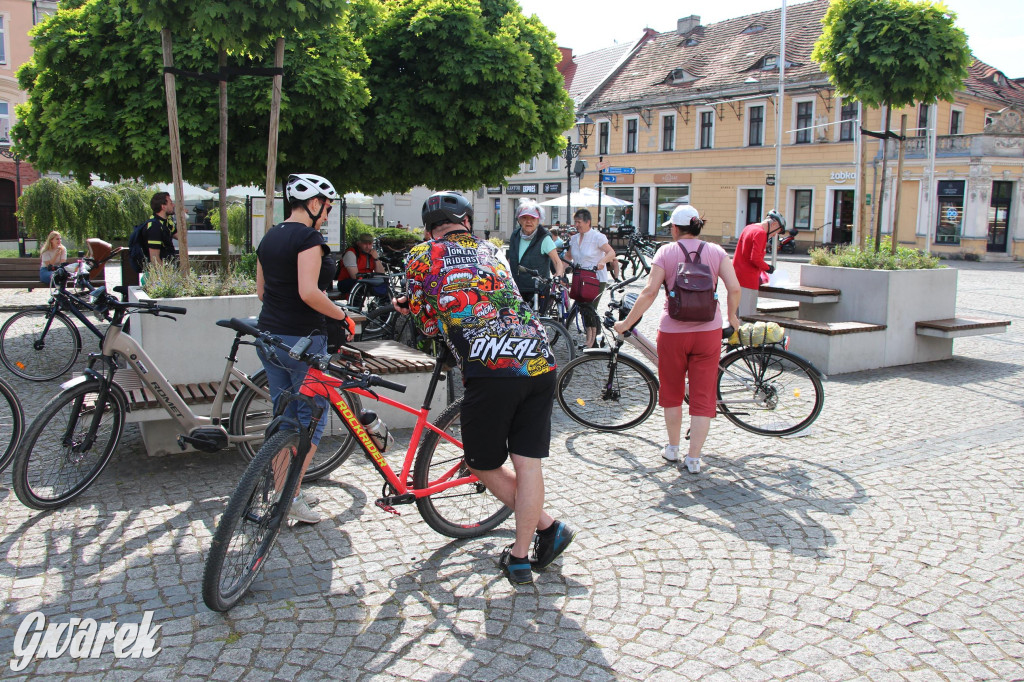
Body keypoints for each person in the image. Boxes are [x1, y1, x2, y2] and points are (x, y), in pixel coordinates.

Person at [394, 191, 575, 586]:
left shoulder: (420, 257)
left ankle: (543, 534)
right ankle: (522, 556)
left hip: (490, 368)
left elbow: (427, 325)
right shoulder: (495, 251)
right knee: (528, 463)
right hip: (538, 357)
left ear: (428, 229)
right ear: (467, 222)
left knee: (482, 463)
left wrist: (410, 306)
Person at [613, 205, 741, 474]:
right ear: (697, 226)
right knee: (703, 396)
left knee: (672, 393)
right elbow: (734, 287)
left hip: (672, 333)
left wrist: (627, 323)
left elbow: (648, 293)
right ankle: (694, 459)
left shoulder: (666, 252)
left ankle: (673, 449)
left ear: (674, 228)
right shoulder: (717, 251)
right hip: (709, 332)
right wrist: (732, 318)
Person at [256, 173, 353, 524]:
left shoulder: (270, 236)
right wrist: (344, 316)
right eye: (326, 208)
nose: (326, 215)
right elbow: (309, 292)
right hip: (304, 342)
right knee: (310, 420)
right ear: (313, 204)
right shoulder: (309, 238)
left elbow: (262, 293)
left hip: (268, 338)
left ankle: (283, 488)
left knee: (283, 418)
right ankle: (289, 497)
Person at [562, 208, 617, 347]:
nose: (577, 225)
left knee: (590, 308)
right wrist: (560, 271)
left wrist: (602, 261)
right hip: (580, 278)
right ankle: (593, 339)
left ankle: (591, 341)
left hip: (596, 279)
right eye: (575, 222)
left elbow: (611, 252)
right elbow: (568, 257)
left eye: (579, 222)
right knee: (583, 309)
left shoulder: (597, 237)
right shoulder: (574, 238)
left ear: (588, 222)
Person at [507, 200, 565, 312]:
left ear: (538, 220)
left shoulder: (544, 238)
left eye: (532, 218)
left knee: (536, 324)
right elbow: (511, 259)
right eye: (524, 218)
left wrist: (558, 276)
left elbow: (557, 262)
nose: (528, 221)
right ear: (519, 219)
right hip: (516, 288)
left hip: (538, 290)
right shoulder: (515, 235)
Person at [733, 210, 786, 316]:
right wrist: (768, 268)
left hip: (736, 276)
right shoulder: (760, 233)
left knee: (735, 314)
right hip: (748, 279)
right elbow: (755, 258)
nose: (774, 235)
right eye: (776, 231)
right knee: (747, 316)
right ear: (774, 224)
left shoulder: (749, 227)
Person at [336, 232, 387, 298]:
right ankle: (355, 306)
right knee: (359, 284)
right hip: (346, 282)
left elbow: (381, 273)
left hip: (365, 280)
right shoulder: (351, 253)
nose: (368, 247)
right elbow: (355, 276)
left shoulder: (372, 253)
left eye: (370, 244)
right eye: (365, 244)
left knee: (384, 282)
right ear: (359, 243)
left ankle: (384, 305)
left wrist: (376, 259)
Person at [144, 192, 178, 266]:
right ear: (163, 207)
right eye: (171, 203)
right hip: (159, 274)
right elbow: (154, 259)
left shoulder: (167, 222)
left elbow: (181, 237)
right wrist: (166, 275)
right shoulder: (154, 226)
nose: (173, 205)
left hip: (168, 267)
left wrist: (182, 218)